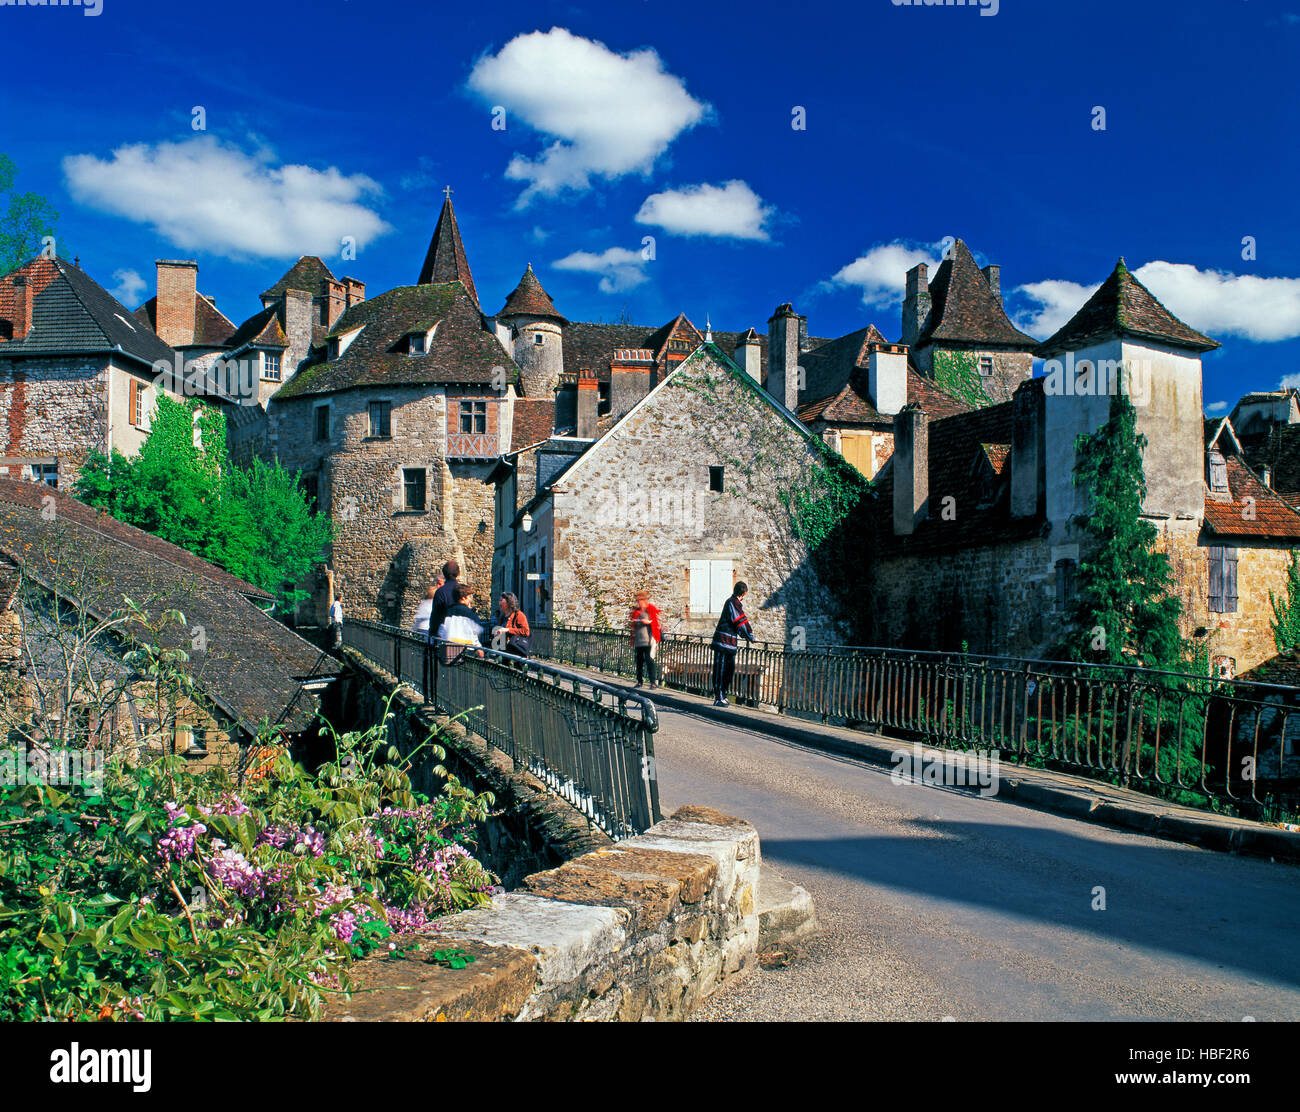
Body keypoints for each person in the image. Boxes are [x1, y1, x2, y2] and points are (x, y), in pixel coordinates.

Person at [710, 581, 753, 706]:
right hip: (723, 642)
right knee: (721, 670)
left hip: (728, 642)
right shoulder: (733, 603)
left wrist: (747, 634)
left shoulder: (734, 603)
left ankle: (722, 694)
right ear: (744, 593)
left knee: (728, 670)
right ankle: (719, 696)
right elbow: (740, 620)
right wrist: (749, 635)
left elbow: (739, 621)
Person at [436, 582, 486, 662]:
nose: (470, 599)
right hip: (467, 652)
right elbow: (476, 633)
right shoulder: (470, 614)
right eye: (469, 597)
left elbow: (441, 631)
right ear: (463, 598)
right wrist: (479, 648)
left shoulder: (446, 612)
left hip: (448, 652)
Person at [629, 590, 661, 689]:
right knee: (639, 662)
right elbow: (632, 624)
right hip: (638, 640)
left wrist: (647, 622)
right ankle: (639, 681)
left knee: (649, 661)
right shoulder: (636, 611)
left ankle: (653, 682)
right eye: (637, 600)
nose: (638, 602)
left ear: (644, 599)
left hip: (648, 640)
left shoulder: (650, 609)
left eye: (640, 600)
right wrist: (635, 621)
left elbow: (655, 623)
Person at [429, 560, 459, 642]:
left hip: (444, 636)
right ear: (458, 573)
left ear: (444, 574)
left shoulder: (441, 592)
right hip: (460, 635)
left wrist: (432, 633)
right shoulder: (462, 590)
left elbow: (435, 616)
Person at [495, 592, 531, 657]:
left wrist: (507, 630)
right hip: (503, 652)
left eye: (501, 601)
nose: (499, 603)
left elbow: (526, 631)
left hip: (515, 653)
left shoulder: (519, 615)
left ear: (508, 602)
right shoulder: (502, 616)